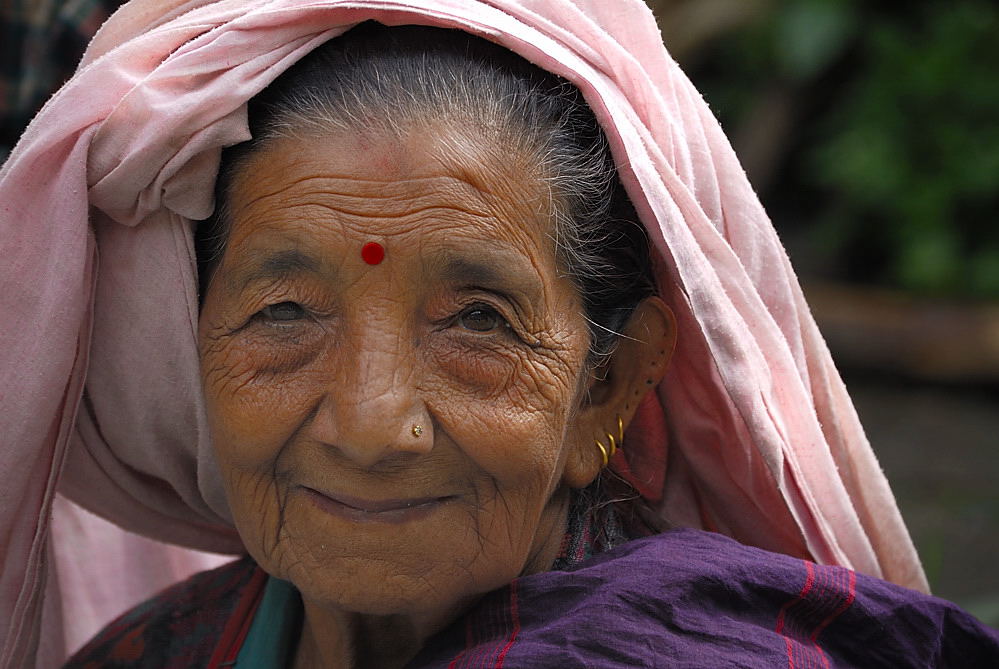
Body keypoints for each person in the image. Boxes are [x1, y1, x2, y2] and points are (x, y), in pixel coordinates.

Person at [1, 1, 996, 667]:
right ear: (193, 353)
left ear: (607, 386)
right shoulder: (158, 651)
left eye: (480, 321)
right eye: (285, 314)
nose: (372, 424)